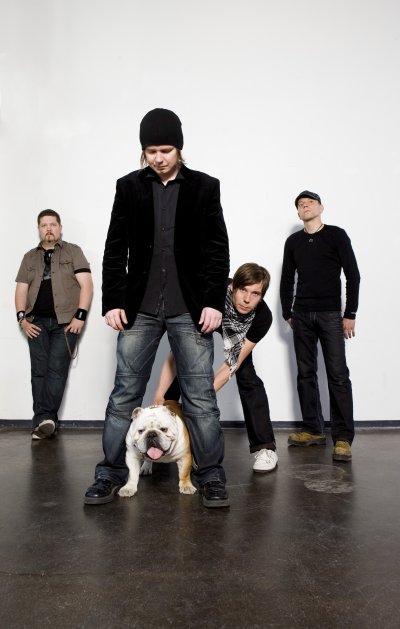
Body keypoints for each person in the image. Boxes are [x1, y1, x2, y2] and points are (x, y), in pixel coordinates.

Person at [84, 108, 230, 508]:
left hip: (190, 307)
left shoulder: (205, 187)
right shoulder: (128, 187)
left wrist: (213, 302)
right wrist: (113, 301)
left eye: (166, 150)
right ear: (143, 151)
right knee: (124, 395)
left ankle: (211, 476)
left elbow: (217, 250)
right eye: (151, 151)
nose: (159, 157)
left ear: (179, 148)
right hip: (140, 308)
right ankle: (109, 473)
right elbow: (115, 249)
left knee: (200, 398)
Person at [153, 262, 278, 473]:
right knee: (188, 362)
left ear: (262, 296)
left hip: (237, 341)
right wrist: (160, 394)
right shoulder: (212, 294)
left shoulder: (262, 317)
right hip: (211, 314)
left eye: (255, 293)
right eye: (243, 290)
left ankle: (265, 448)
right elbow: (177, 354)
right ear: (233, 287)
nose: (247, 299)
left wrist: (201, 400)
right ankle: (159, 442)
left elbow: (232, 364)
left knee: (248, 377)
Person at [280, 190, 360, 461]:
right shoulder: (293, 241)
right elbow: (287, 278)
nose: (305, 206)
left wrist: (350, 313)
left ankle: (342, 437)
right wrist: (287, 311)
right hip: (301, 315)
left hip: (330, 315)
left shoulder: (336, 235)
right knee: (305, 373)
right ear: (298, 212)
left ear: (321, 207)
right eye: (301, 204)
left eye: (310, 202)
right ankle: (313, 429)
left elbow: (353, 275)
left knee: (338, 375)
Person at [15, 209, 93, 440]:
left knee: (57, 371)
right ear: (39, 229)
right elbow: (21, 289)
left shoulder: (73, 251)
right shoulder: (29, 257)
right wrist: (21, 319)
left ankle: (44, 420)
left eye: (53, 224)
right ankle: (44, 422)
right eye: (44, 225)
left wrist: (80, 316)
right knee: (38, 372)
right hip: (36, 323)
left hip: (66, 324)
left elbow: (87, 285)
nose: (49, 228)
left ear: (60, 227)